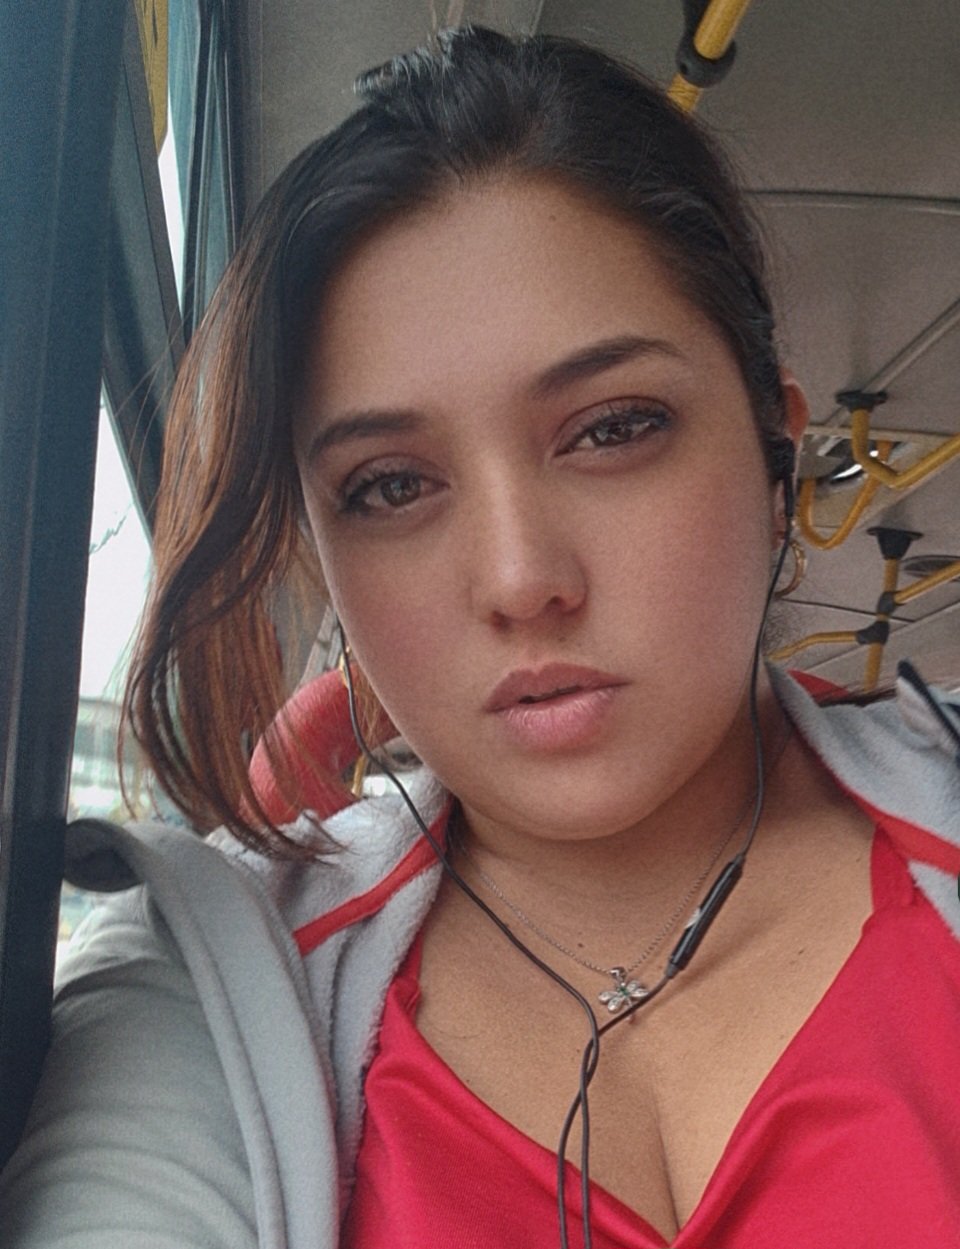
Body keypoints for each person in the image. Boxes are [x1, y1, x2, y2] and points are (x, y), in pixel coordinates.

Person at [2, 24, 960, 1249]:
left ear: (777, 454)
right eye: (391, 486)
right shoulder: (206, 980)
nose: (520, 580)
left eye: (612, 428)